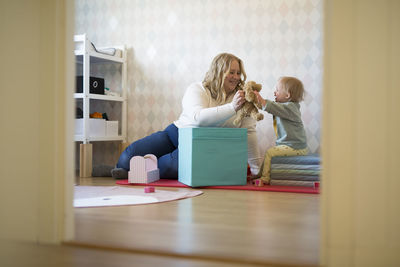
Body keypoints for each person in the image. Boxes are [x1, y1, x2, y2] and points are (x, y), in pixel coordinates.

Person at [111, 53, 263, 179]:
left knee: (173, 167)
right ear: (218, 71)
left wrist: (256, 170)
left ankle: (140, 170)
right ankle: (124, 169)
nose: (236, 77)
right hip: (176, 133)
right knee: (127, 157)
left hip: (202, 145)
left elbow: (249, 132)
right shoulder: (198, 89)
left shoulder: (243, 99)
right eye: (231, 72)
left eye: (238, 73)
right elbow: (198, 119)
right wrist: (231, 107)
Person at [252, 76, 308, 185]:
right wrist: (259, 103)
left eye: (277, 90)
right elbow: (274, 108)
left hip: (295, 147)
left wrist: (263, 101)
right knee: (270, 152)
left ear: (287, 95)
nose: (274, 92)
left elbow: (273, 107)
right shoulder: (285, 108)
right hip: (291, 145)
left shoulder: (291, 108)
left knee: (270, 152)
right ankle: (259, 174)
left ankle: (265, 178)